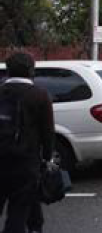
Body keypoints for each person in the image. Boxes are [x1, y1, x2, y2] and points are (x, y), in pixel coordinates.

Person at [0, 52, 54, 233]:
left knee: (29, 205)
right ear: (31, 71)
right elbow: (48, 133)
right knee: (18, 212)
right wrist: (47, 158)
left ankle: (36, 226)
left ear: (7, 71)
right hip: (25, 163)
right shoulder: (39, 95)